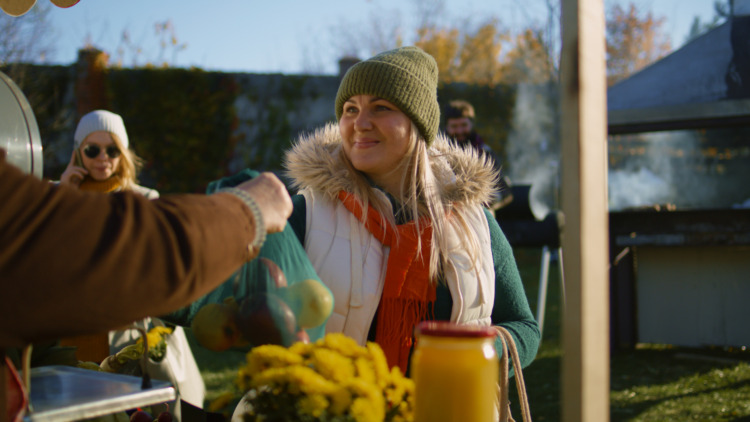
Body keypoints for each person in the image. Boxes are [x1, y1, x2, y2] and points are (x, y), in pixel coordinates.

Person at [280, 46, 540, 373]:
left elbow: (522, 326)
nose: (360, 123)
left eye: (380, 107)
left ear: (417, 124)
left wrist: (483, 351)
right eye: (350, 109)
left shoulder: (476, 221)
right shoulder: (307, 214)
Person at [58, 109, 158, 199]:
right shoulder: (54, 195)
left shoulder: (145, 199)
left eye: (112, 150)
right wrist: (63, 195)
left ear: (123, 155)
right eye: (92, 149)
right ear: (78, 152)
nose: (102, 158)